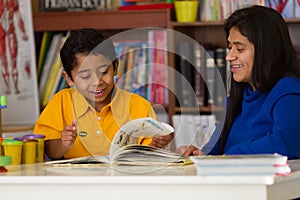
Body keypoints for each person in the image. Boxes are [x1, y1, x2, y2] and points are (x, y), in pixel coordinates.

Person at [178, 5, 300, 159]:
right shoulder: (235, 100)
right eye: (229, 47)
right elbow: (214, 152)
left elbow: (287, 143)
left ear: (266, 51)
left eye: (239, 49)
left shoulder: (289, 91)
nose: (229, 56)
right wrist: (197, 154)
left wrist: (232, 154)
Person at [33, 28, 173, 160]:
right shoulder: (61, 102)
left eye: (103, 72)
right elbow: (49, 151)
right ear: (69, 78)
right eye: (86, 76)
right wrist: (64, 143)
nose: (97, 82)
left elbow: (147, 154)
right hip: (75, 182)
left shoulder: (139, 106)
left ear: (115, 67)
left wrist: (156, 145)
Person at [0, 0, 28, 94]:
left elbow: (18, 16)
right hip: (1, 35)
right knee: (3, 61)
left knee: (13, 60)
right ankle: (7, 89)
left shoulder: (12, 2)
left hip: (11, 33)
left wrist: (23, 31)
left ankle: (15, 88)